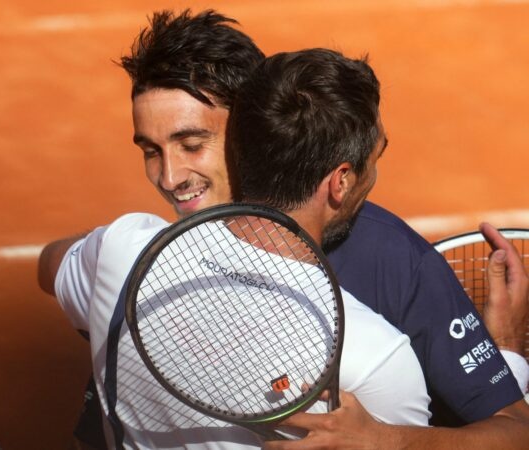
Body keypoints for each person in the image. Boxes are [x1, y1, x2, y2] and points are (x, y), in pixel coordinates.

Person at [37, 8, 528, 449]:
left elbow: (505, 420)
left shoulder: (396, 264)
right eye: (151, 150)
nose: (169, 178)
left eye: (192, 144)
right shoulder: (137, 254)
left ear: (249, 127)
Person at [224, 47, 529, 448]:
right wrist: (508, 351)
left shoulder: (131, 256)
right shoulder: (396, 291)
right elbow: (517, 435)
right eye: (375, 156)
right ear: (341, 181)